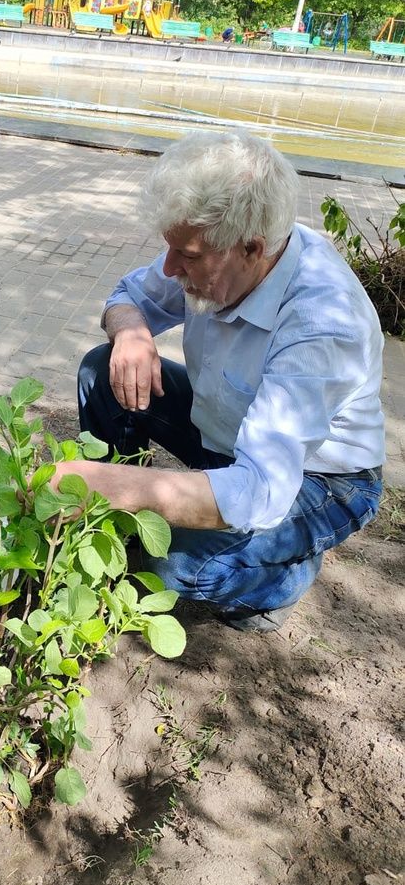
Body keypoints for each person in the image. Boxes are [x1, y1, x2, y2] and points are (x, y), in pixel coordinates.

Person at [52, 131, 384, 632]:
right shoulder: (212, 247)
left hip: (318, 477)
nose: (169, 267)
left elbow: (260, 489)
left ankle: (284, 579)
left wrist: (116, 486)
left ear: (251, 249)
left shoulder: (322, 324)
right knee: (102, 370)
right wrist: (131, 331)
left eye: (186, 255)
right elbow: (127, 296)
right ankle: (114, 530)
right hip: (226, 429)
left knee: (169, 564)